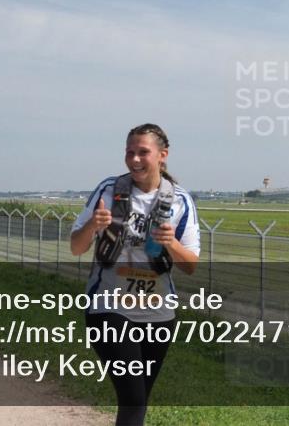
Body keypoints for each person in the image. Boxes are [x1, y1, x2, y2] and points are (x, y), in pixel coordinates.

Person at [70, 124, 200, 426]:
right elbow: (77, 247)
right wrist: (92, 226)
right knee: (133, 398)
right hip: (109, 307)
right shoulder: (108, 190)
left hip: (158, 313)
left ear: (162, 155)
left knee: (137, 401)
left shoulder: (180, 201)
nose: (135, 159)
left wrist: (171, 244)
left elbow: (190, 264)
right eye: (130, 152)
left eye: (143, 152)